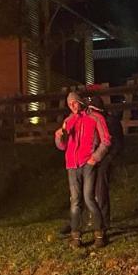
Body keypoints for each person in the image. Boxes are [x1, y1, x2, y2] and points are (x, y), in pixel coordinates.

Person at [55, 91, 113, 248]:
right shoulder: (68, 121)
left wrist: (95, 157)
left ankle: (100, 234)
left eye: (74, 102)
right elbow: (62, 146)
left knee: (88, 198)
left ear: (80, 102)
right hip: (71, 165)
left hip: (87, 163)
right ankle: (76, 237)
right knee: (75, 201)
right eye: (69, 104)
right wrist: (59, 136)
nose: (72, 106)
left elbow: (106, 140)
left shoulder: (95, 117)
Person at [86, 94, 123, 233]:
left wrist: (109, 159)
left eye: (92, 109)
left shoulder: (110, 121)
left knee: (101, 189)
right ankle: (92, 217)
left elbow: (118, 143)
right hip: (92, 158)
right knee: (89, 189)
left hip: (105, 159)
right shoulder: (90, 120)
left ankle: (104, 221)